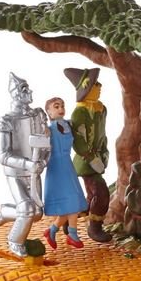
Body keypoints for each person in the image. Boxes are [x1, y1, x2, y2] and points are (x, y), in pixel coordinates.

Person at [0, 73, 50, 258]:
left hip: (34, 172)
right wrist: (27, 164)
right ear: (16, 93)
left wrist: (42, 162)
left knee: (37, 213)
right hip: (16, 173)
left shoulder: (38, 115)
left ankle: (5, 211)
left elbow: (46, 143)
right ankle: (15, 240)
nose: (29, 92)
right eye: (24, 89)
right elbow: (3, 155)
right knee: (27, 209)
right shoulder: (7, 121)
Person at [64, 67, 112, 243]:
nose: (99, 86)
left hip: (98, 157)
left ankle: (68, 219)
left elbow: (102, 134)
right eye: (95, 84)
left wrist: (104, 154)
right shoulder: (80, 111)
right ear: (86, 88)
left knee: (91, 196)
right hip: (86, 161)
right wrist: (91, 158)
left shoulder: (101, 109)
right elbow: (78, 139)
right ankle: (94, 227)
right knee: (101, 193)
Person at [43, 97, 88, 249]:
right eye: (56, 106)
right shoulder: (49, 129)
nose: (61, 109)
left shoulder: (68, 124)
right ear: (49, 112)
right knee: (72, 201)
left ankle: (52, 230)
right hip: (57, 166)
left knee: (69, 204)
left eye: (62, 106)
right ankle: (72, 234)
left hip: (67, 164)